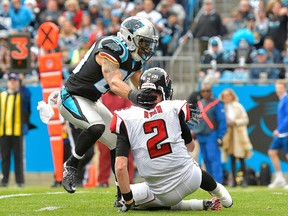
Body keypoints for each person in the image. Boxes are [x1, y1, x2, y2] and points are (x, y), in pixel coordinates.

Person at [38, 16, 159, 200]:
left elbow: (141, 85)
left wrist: (163, 106)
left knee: (117, 140)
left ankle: (122, 194)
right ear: (129, 38)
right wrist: (135, 96)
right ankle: (71, 166)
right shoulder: (112, 47)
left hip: (93, 101)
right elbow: (114, 82)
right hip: (71, 97)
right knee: (96, 127)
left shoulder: (135, 60)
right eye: (143, 42)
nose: (146, 48)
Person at [112, 67, 233, 212]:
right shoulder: (174, 108)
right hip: (192, 179)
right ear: (165, 90)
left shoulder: (125, 118)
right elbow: (191, 147)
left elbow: (120, 167)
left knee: (125, 197)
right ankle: (220, 193)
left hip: (161, 192)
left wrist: (128, 199)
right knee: (190, 162)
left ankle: (196, 204)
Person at [0, 73, 32, 187]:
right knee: (5, 158)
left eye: (15, 80)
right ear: (7, 82)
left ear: (17, 82)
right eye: (11, 80)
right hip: (3, 132)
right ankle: (4, 181)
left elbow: (28, 97)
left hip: (17, 132)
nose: (12, 82)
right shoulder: (2, 95)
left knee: (18, 158)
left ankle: (20, 181)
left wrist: (22, 83)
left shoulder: (21, 95)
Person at [192, 80, 227, 184]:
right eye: (203, 91)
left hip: (212, 134)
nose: (206, 93)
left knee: (214, 158)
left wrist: (220, 136)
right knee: (206, 159)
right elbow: (196, 119)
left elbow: (222, 121)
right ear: (201, 92)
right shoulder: (200, 103)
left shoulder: (217, 103)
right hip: (200, 135)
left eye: (208, 91)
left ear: (211, 91)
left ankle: (218, 181)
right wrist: (193, 130)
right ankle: (212, 182)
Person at [220, 88, 253, 187]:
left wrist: (235, 122)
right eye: (224, 95)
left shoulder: (238, 106)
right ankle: (234, 180)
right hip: (228, 135)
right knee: (232, 158)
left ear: (232, 96)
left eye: (228, 95)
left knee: (242, 158)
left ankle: (244, 181)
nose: (226, 97)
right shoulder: (222, 107)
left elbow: (245, 119)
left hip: (238, 135)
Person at [267, 80, 288, 189]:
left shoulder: (287, 99)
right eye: (277, 87)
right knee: (272, 152)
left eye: (280, 87)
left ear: (284, 88)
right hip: (281, 133)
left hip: (286, 132)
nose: (278, 90)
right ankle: (279, 177)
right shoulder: (281, 100)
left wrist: (279, 129)